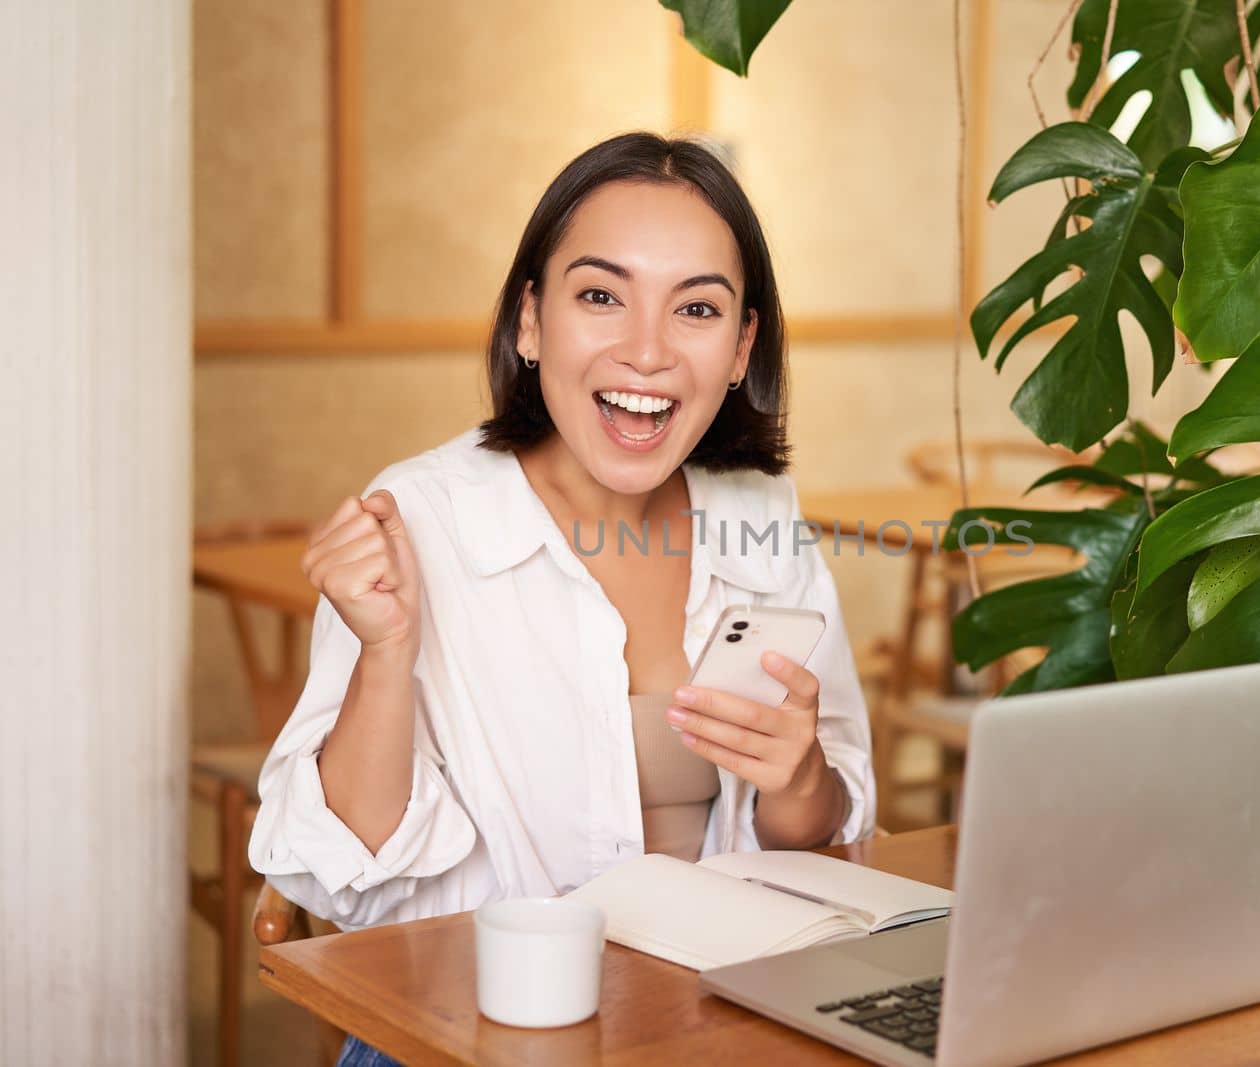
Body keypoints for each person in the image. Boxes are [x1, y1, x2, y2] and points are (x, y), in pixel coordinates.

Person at [247, 132, 876, 1066]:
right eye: (600, 296)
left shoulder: (758, 514)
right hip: (462, 1033)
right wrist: (384, 653)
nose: (649, 351)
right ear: (530, 322)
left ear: (743, 346)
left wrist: (797, 781)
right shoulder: (423, 515)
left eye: (696, 309)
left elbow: (820, 825)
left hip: (712, 1027)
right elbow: (349, 883)